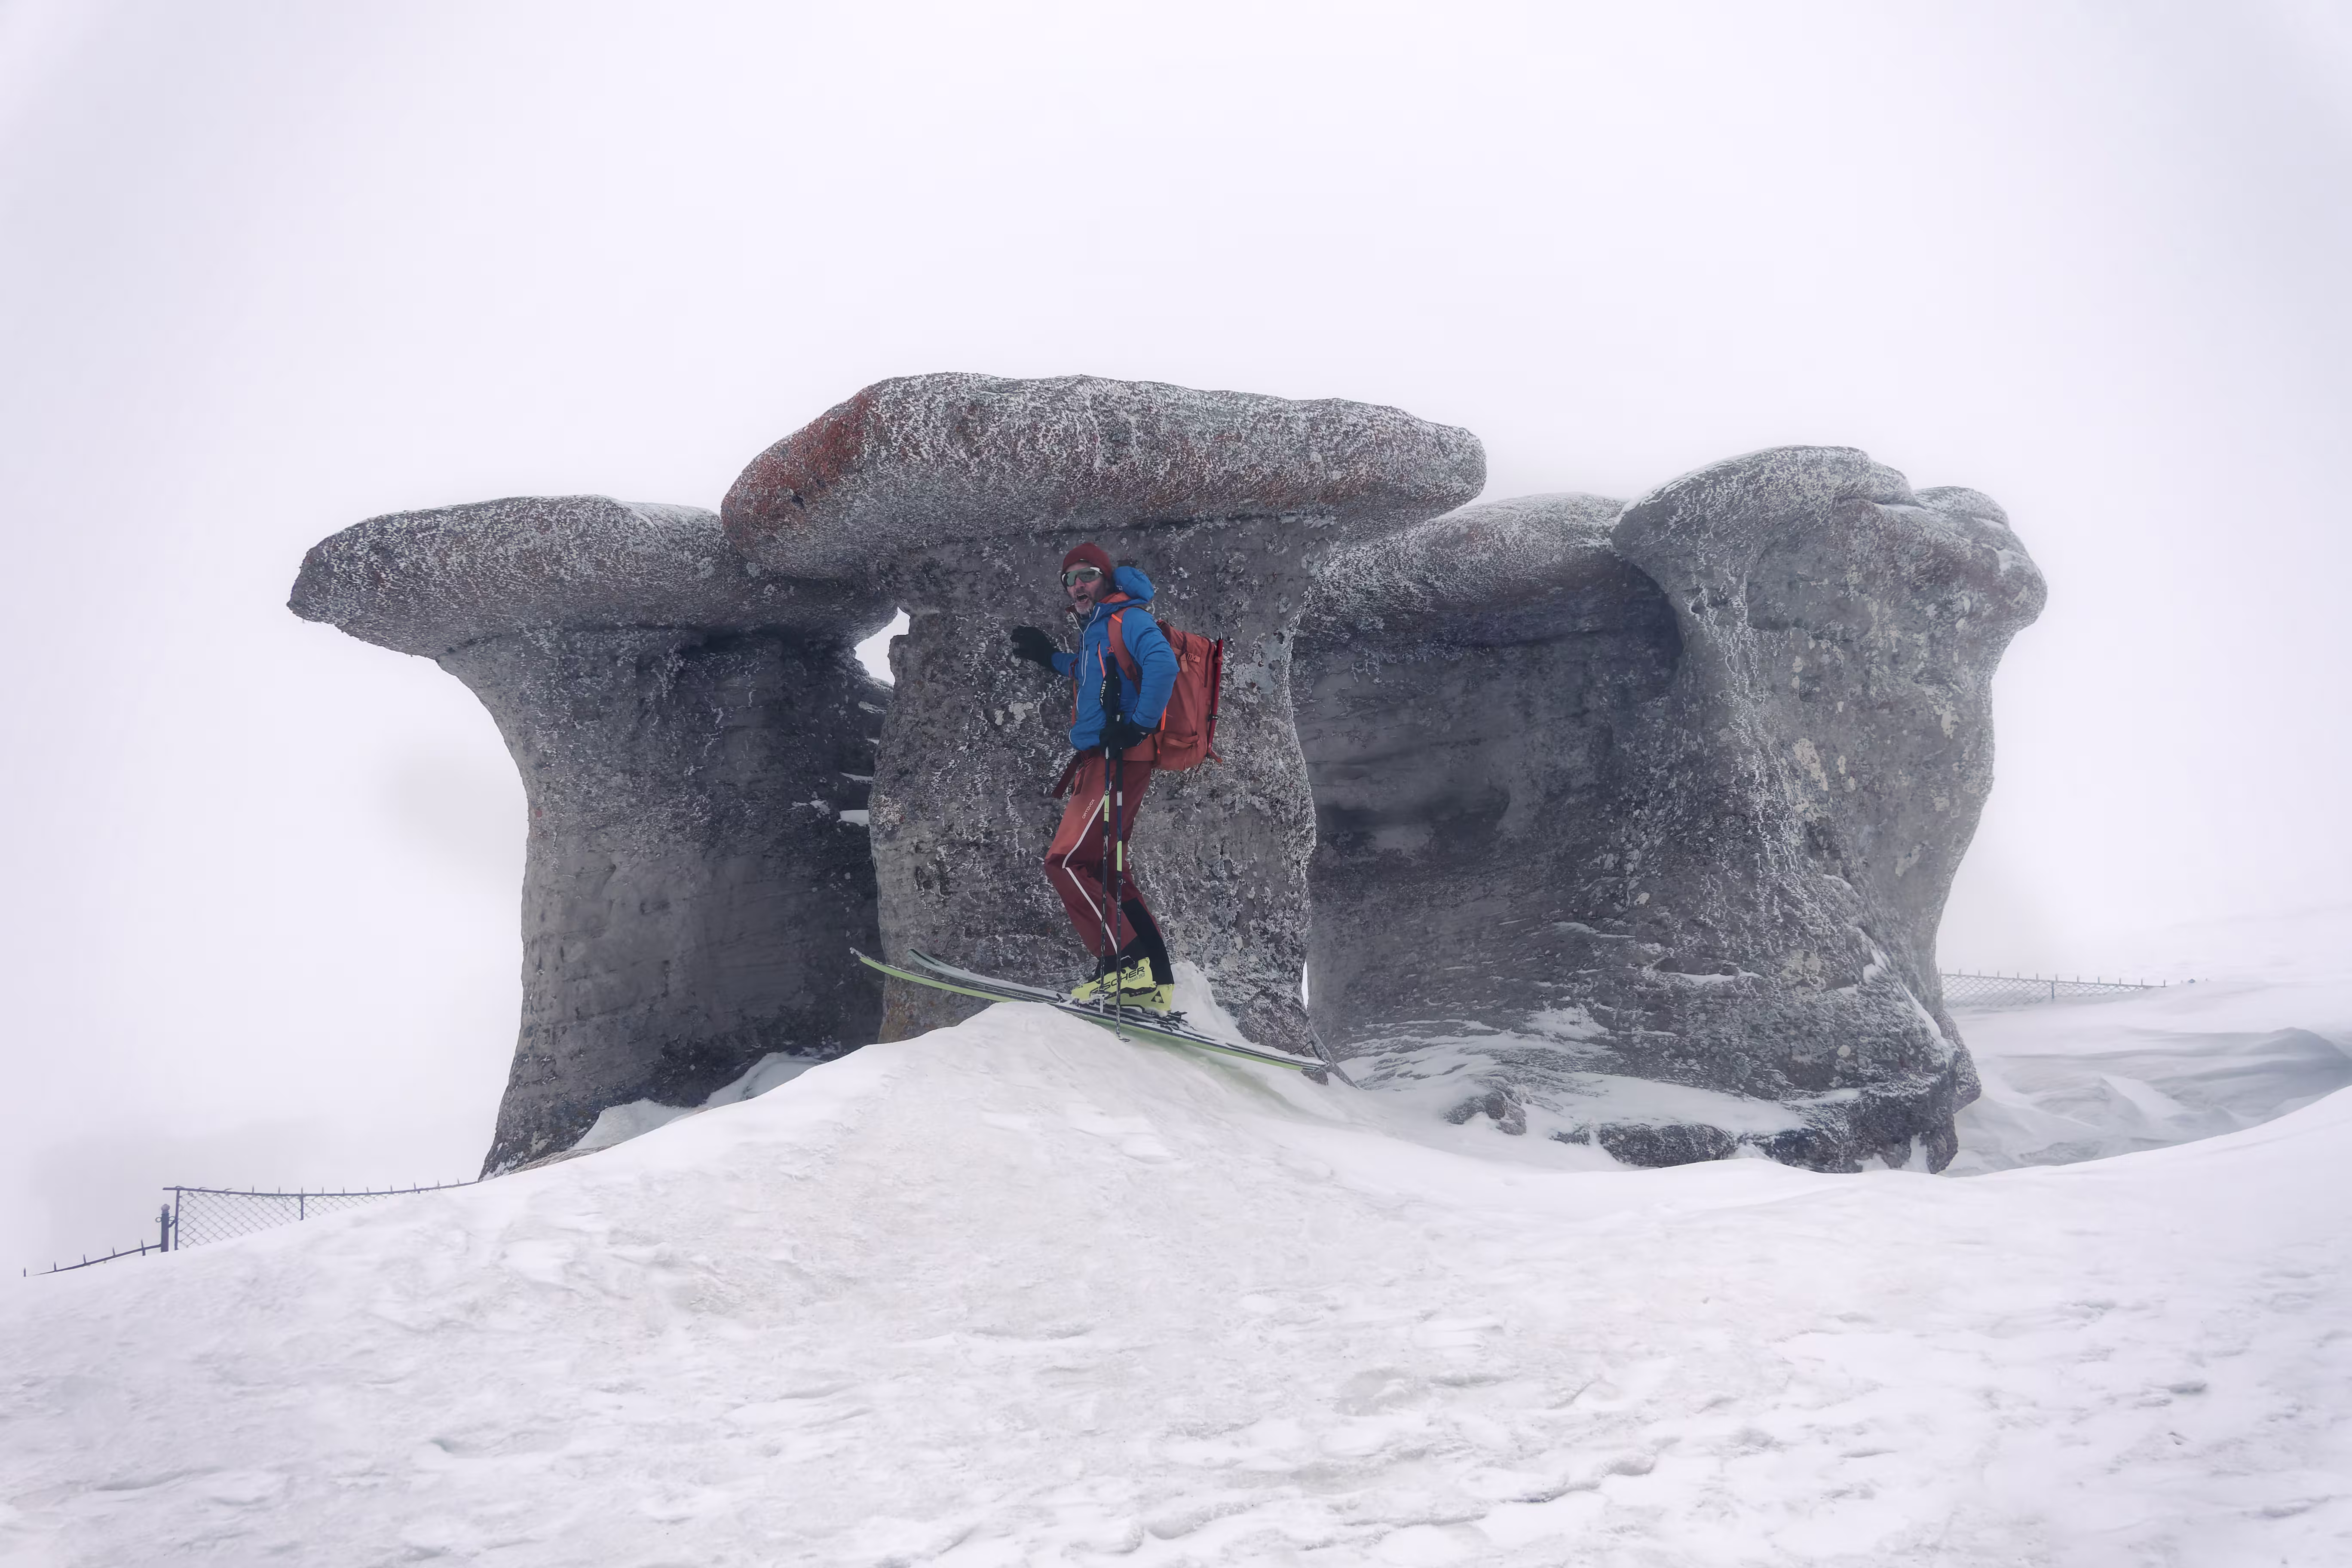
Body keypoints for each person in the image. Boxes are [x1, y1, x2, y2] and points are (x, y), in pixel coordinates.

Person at [1009, 543, 1180, 1011]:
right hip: (1107, 758)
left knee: (1064, 862)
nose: (1078, 585)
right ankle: (1156, 978)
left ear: (1107, 579)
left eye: (1087, 575)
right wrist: (1050, 658)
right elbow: (1090, 671)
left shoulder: (1130, 619)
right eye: (1071, 579)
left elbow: (1164, 665)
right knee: (1108, 870)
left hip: (1117, 758)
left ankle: (1125, 967)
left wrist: (1138, 725)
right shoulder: (1099, 631)